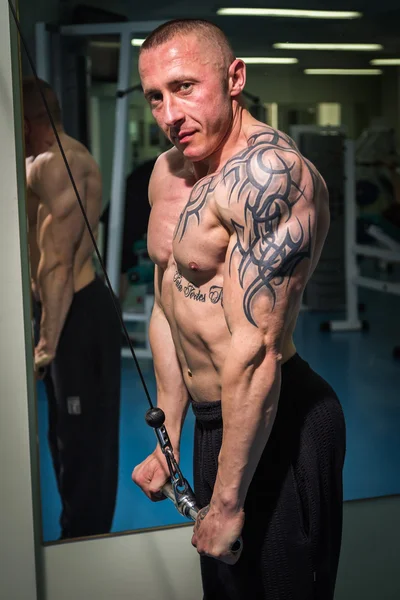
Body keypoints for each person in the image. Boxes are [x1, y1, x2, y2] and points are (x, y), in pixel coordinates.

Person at [131, 19, 346, 600]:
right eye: (155, 96)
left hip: (278, 418)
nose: (169, 114)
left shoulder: (269, 176)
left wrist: (226, 503)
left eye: (184, 87)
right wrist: (168, 437)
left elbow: (256, 353)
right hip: (209, 423)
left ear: (234, 79)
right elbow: (168, 307)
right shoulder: (168, 172)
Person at [23, 77, 121, 540]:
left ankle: (84, 545)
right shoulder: (40, 164)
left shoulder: (60, 163)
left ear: (27, 122)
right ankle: (75, 535)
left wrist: (45, 342)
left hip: (76, 315)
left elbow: (59, 264)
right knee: (64, 441)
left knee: (83, 443)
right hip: (65, 314)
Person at [100, 157, 155, 303]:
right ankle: (111, 317)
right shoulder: (165, 167)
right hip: (122, 218)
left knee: (116, 274)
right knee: (114, 274)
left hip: (128, 214)